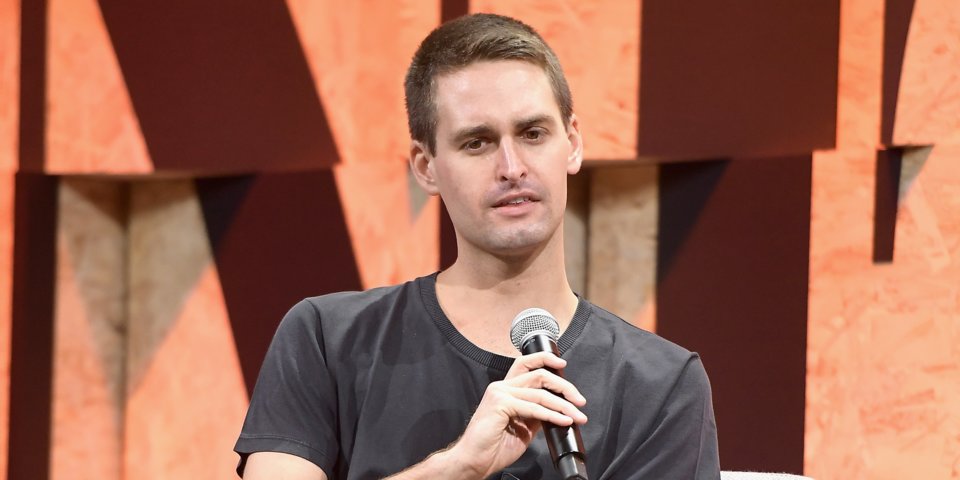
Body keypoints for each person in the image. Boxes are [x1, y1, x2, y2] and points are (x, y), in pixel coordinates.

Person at [234, 13, 720, 480]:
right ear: (426, 167)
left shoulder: (662, 385)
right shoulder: (326, 339)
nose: (512, 167)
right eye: (477, 143)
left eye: (533, 134)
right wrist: (457, 467)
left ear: (572, 143)